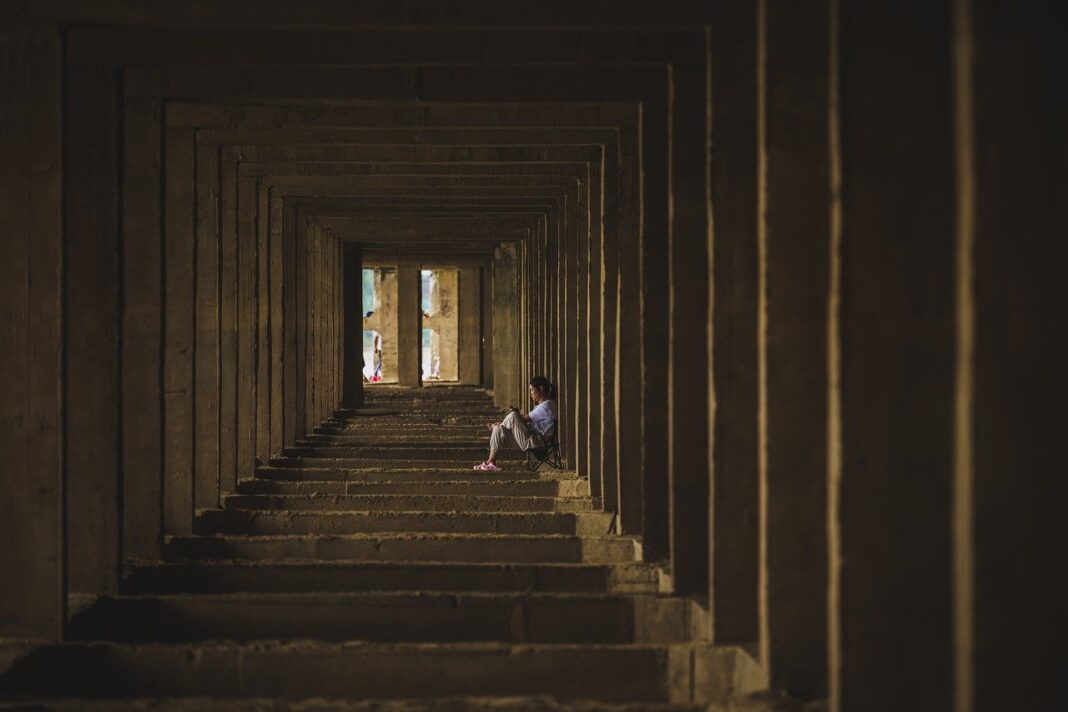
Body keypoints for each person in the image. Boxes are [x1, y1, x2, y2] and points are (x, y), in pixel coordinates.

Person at [474, 376, 557, 471]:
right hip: (530, 438)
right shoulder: (541, 406)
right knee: (498, 429)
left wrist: (516, 415)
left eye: (532, 390)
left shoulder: (547, 405)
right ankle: (491, 462)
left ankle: (499, 426)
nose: (531, 393)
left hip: (537, 442)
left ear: (541, 389)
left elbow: (524, 419)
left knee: (513, 415)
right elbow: (523, 421)